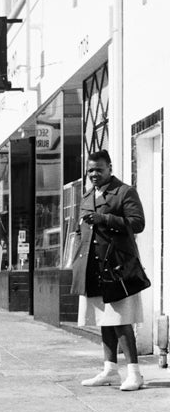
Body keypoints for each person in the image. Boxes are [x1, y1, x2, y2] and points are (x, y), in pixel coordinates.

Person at [71, 149, 148, 391]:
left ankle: (134, 373)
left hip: (117, 268)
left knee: (121, 321)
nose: (94, 174)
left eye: (99, 169)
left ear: (110, 168)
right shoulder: (86, 197)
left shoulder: (124, 192)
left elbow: (138, 223)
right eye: (90, 170)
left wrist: (105, 219)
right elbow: (80, 230)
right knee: (105, 322)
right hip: (93, 267)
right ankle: (110, 370)